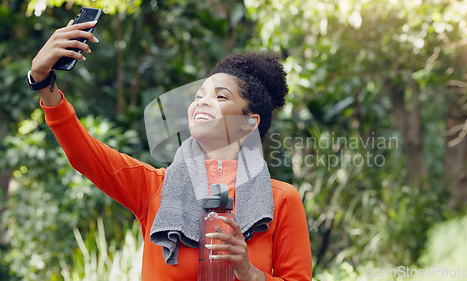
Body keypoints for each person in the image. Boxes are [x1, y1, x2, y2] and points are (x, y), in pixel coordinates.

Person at [29, 20, 312, 281]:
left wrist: (250, 273)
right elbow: (84, 153)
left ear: (249, 122)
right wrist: (43, 81)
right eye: (199, 96)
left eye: (220, 96)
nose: (201, 102)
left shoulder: (281, 200)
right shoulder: (155, 188)